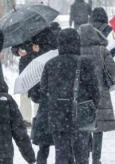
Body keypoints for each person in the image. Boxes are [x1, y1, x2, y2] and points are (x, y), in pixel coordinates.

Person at [40, 28, 100, 164]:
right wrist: (92, 107)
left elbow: (43, 91)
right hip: (80, 113)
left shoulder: (51, 64)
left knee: (61, 152)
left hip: (57, 114)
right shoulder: (85, 62)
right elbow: (94, 90)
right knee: (82, 152)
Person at [77, 24, 115, 164]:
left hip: (82, 94)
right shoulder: (101, 50)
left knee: (85, 125)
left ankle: (86, 154)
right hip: (100, 93)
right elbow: (112, 69)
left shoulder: (77, 51)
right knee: (98, 128)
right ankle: (96, 158)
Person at [29, 27, 58, 164]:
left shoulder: (40, 63)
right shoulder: (59, 59)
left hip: (46, 109)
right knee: (62, 145)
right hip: (62, 109)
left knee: (43, 147)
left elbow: (35, 94)